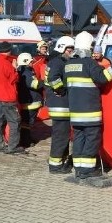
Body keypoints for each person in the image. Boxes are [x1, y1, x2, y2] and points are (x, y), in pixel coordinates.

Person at [64, 32, 112, 179]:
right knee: (91, 139)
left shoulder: (69, 64)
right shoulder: (89, 64)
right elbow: (104, 77)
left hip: (75, 112)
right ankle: (88, 170)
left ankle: (79, 169)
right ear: (89, 46)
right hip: (89, 112)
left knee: (78, 139)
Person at [0, 41, 25, 154]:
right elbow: (14, 79)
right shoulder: (7, 64)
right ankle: (12, 146)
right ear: (8, 51)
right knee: (14, 122)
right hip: (8, 98)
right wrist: (15, 69)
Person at [44, 36, 75, 173]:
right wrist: (61, 90)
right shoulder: (57, 63)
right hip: (60, 105)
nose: (71, 52)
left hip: (60, 105)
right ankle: (55, 165)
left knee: (63, 135)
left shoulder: (57, 61)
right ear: (62, 48)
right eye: (70, 50)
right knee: (61, 136)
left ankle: (60, 160)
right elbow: (53, 78)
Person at [16, 52, 43, 148]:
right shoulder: (26, 72)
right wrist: (44, 82)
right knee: (27, 123)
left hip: (28, 101)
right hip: (30, 103)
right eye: (31, 61)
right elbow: (33, 84)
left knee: (26, 123)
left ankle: (26, 139)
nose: (32, 63)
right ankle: (25, 141)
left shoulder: (23, 71)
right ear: (26, 62)